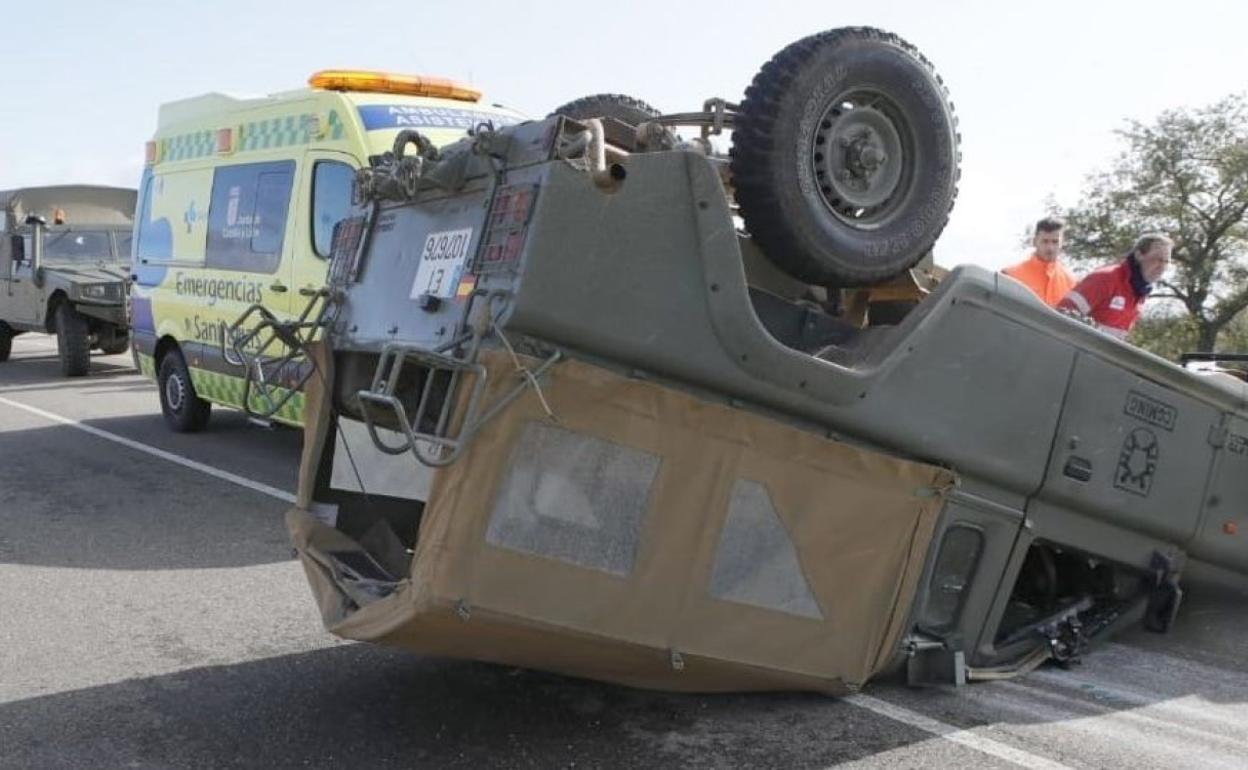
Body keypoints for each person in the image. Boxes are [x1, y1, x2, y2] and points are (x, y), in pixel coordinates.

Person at [1057, 233, 1173, 340]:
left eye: (1166, 262)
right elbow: (1062, 315)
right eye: (1157, 259)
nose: (1162, 266)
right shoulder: (1105, 278)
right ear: (1139, 255)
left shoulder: (1139, 294)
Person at [1002, 217, 1077, 306]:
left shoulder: (1072, 283)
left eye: (1055, 242)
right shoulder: (1010, 276)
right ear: (1035, 241)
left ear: (1062, 243)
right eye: (1045, 241)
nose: (1050, 248)